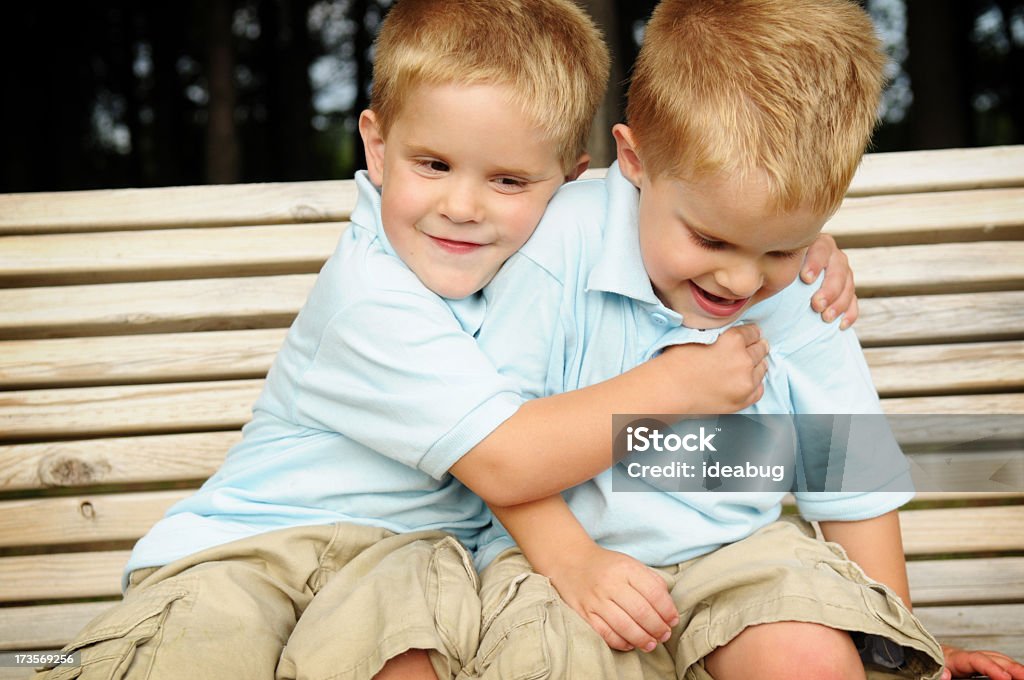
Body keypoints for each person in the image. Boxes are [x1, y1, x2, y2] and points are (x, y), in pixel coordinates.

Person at [38, 1, 859, 679]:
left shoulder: (549, 250)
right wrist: (680, 385)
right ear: (376, 146)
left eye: (508, 180)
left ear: (568, 188)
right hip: (259, 547)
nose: (465, 207)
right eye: (433, 164)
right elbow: (506, 457)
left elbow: (673, 195)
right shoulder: (371, 297)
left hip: (415, 562)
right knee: (199, 651)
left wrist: (783, 243)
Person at [464, 1, 1024, 679]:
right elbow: (486, 441)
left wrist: (904, 643)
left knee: (809, 657)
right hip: (554, 556)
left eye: (782, 247)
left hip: (738, 555)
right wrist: (574, 564)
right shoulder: (557, 249)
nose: (740, 280)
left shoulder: (803, 287)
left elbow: (850, 479)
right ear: (635, 160)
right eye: (710, 238)